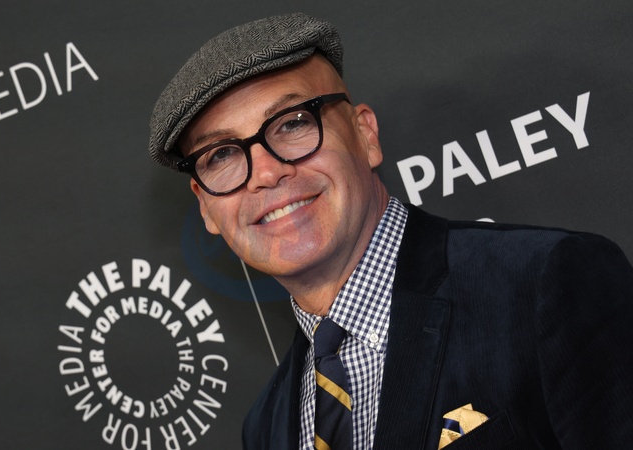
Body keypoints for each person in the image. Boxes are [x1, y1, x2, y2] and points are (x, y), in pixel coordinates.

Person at [148, 12, 633, 450]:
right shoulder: (266, 425)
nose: (266, 173)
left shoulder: (545, 284)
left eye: (292, 124)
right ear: (206, 206)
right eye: (222, 155)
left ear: (366, 135)